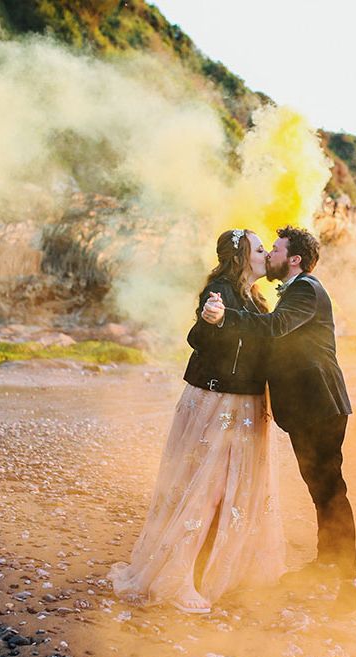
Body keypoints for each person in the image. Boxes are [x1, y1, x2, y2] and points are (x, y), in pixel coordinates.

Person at [108, 229, 285, 613]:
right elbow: (202, 334)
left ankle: (225, 570)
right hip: (219, 400)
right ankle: (178, 576)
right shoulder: (218, 291)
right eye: (259, 249)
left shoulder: (257, 298)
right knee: (206, 487)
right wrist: (211, 321)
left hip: (249, 401)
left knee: (236, 489)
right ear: (241, 257)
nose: (266, 253)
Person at [201, 225, 356, 613]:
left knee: (331, 492)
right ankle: (325, 564)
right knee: (319, 490)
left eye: (275, 249)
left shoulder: (305, 289)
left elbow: (273, 329)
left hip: (321, 406)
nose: (269, 254)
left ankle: (349, 585)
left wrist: (224, 319)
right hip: (307, 409)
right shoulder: (293, 292)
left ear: (294, 259)